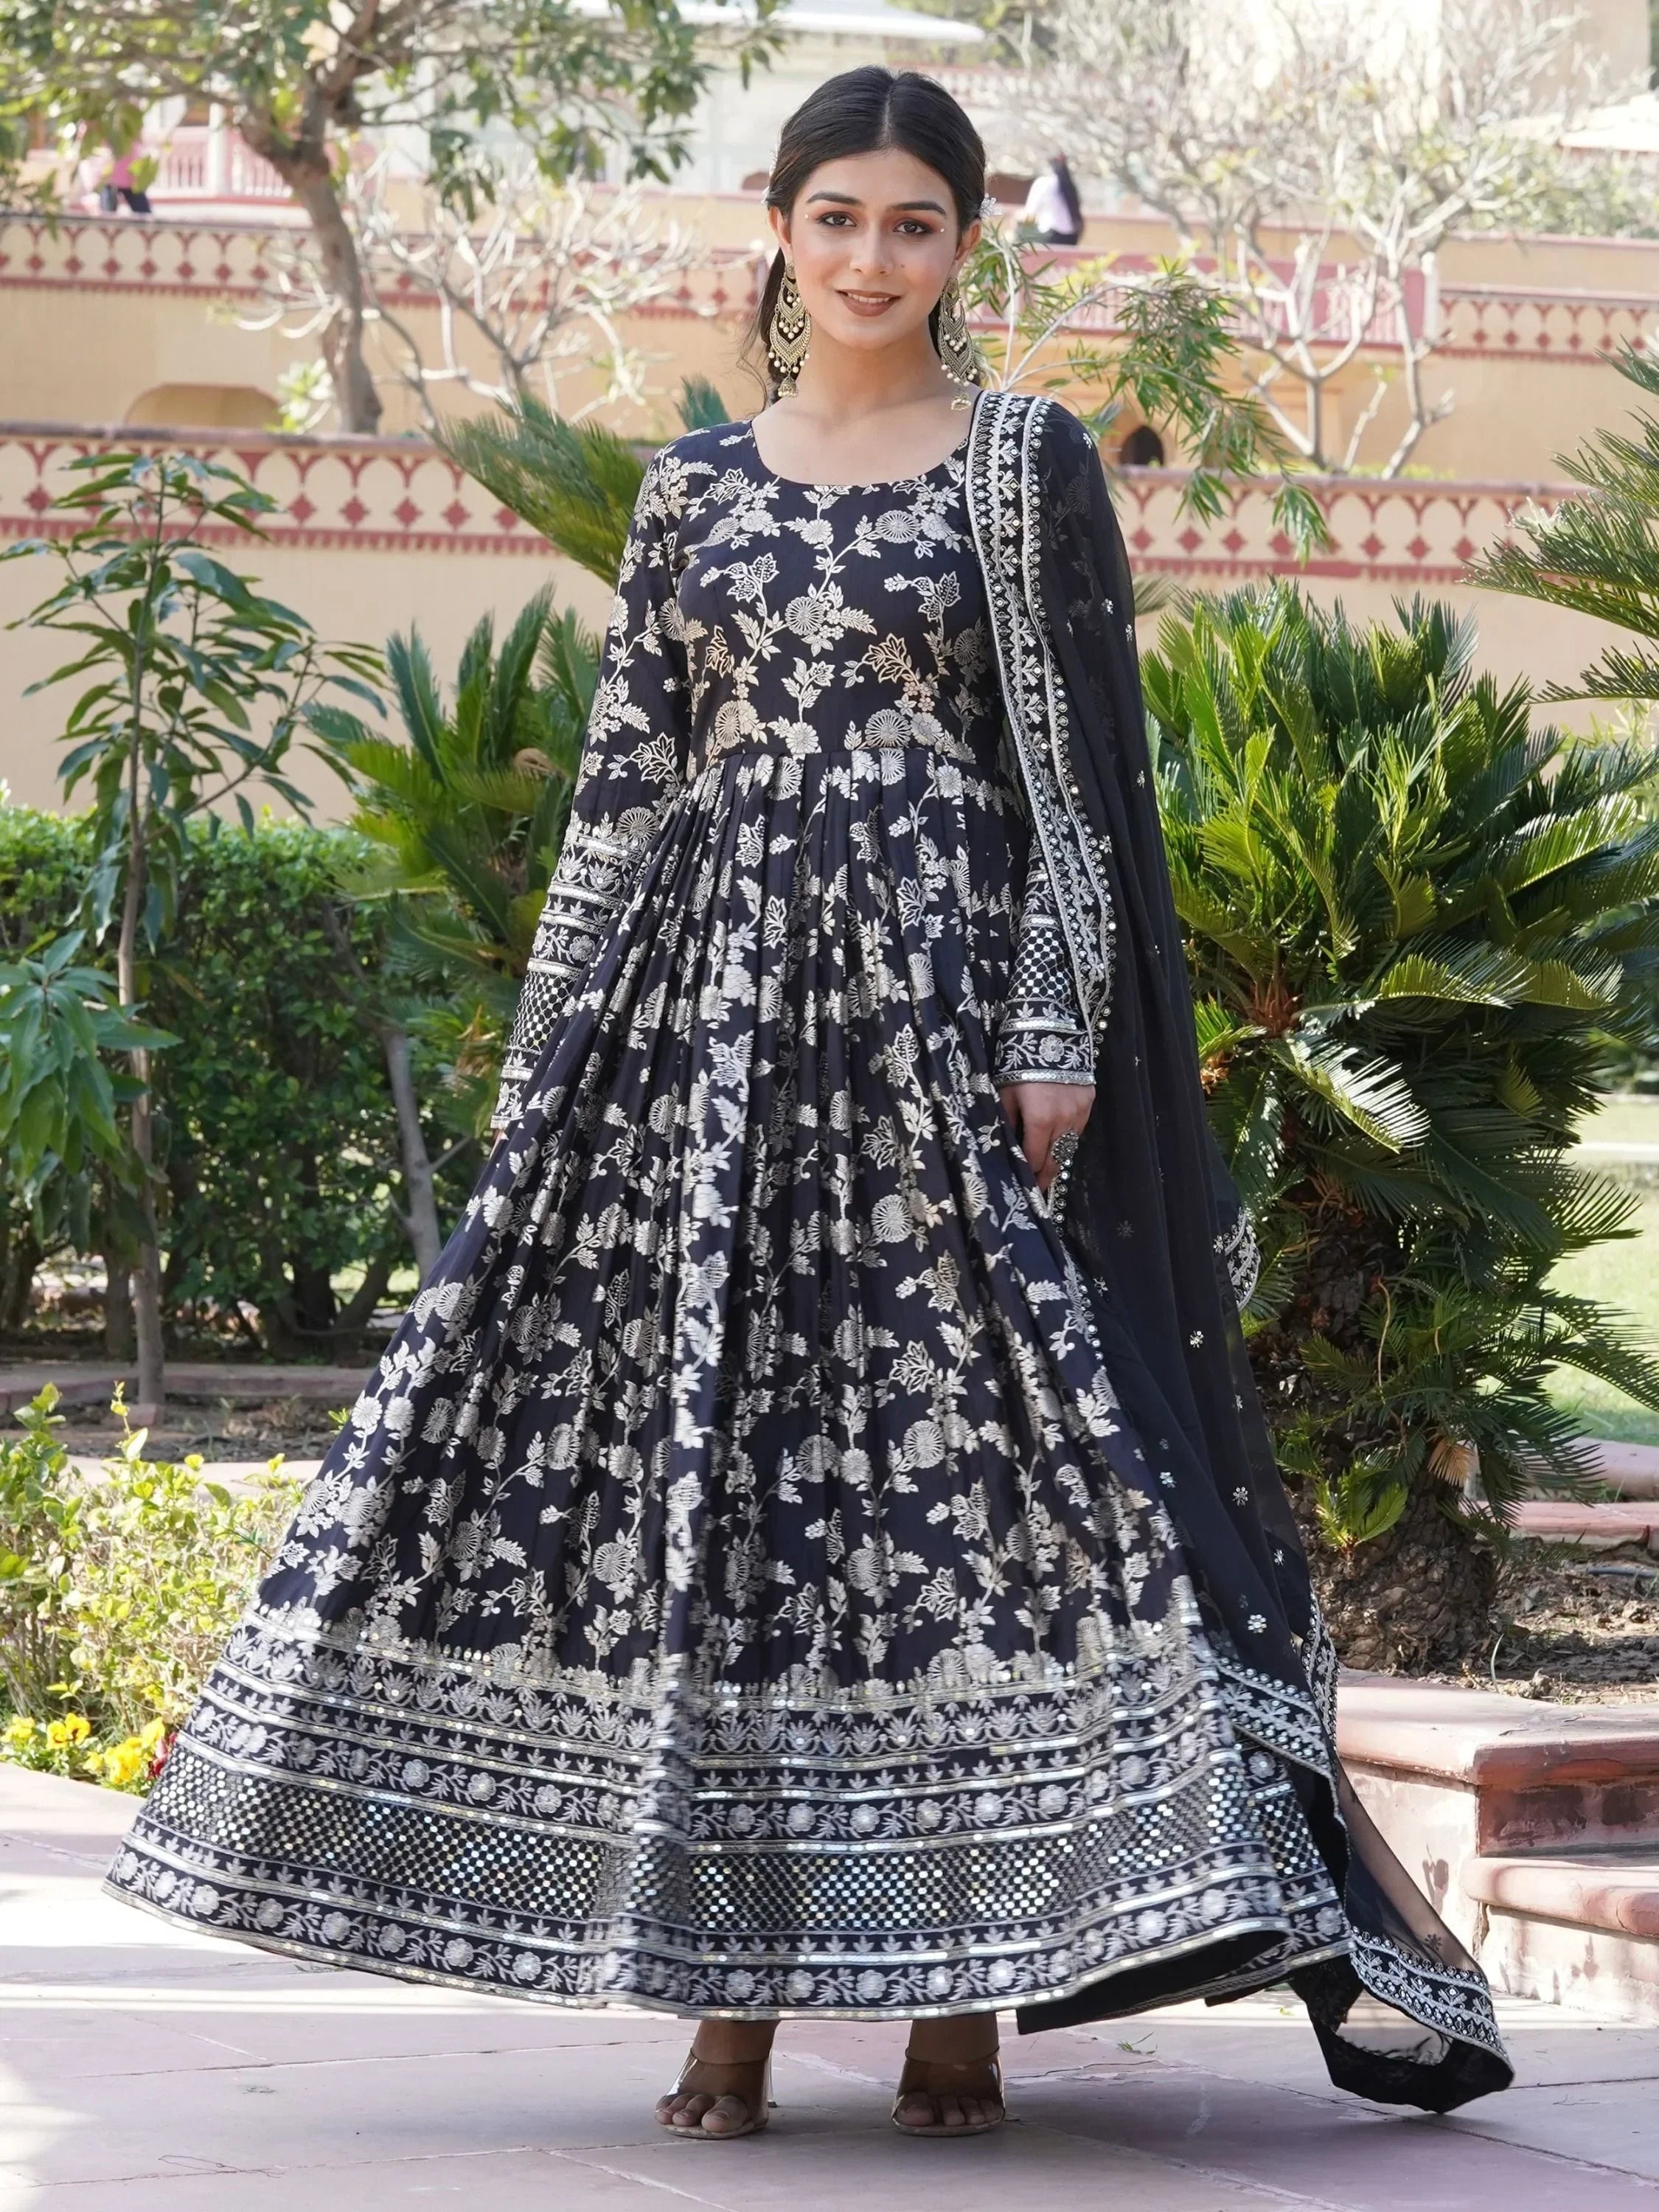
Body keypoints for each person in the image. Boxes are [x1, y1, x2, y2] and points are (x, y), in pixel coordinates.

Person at [106, 65, 1512, 2143]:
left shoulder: (1024, 468)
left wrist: (1052, 1032)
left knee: (966, 1503)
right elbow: (627, 778)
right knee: (727, 1497)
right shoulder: (692, 491)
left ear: (963, 246)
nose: (870, 256)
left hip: (936, 1033)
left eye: (913, 222)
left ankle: (963, 1993)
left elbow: (1073, 787)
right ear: (777, 228)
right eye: (835, 215)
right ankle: (724, 2000)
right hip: (703, 1038)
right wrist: (559, 1048)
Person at [1021, 153, 1083, 246]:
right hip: (1071, 237)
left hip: (1050, 234)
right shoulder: (1070, 185)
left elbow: (1031, 212)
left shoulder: (1045, 183)